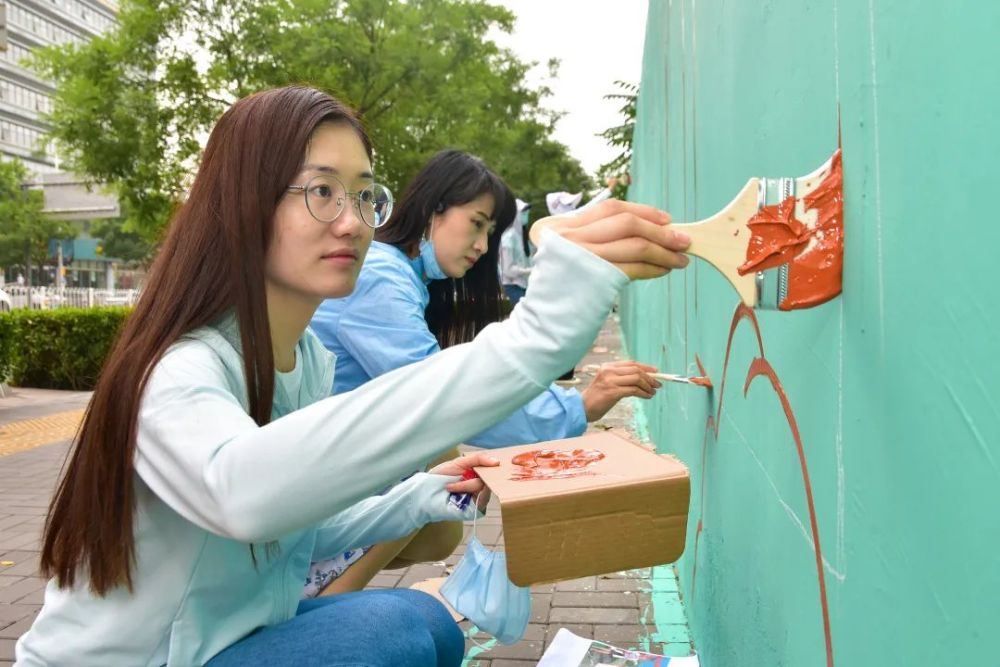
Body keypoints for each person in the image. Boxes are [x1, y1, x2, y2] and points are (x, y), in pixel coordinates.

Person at [15, 86, 690, 667]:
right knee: (393, 629)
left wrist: (429, 495)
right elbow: (244, 493)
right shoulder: (177, 368)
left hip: (223, 639)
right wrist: (532, 341)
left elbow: (297, 528)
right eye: (321, 191)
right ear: (243, 204)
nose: (352, 220)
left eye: (365, 195)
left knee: (425, 627)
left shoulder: (305, 358)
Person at [306, 150, 666, 596]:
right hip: (318, 471)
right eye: (476, 223)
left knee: (441, 517)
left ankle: (329, 580)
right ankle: (321, 595)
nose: (482, 245)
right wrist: (577, 406)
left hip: (335, 458)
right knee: (435, 461)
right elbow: (443, 397)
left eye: (489, 232)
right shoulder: (381, 275)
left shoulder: (399, 274)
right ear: (432, 209)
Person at [499, 198, 533, 305]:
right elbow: (508, 270)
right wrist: (529, 270)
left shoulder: (523, 237)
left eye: (527, 212)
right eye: (523, 212)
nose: (526, 215)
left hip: (525, 285)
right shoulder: (508, 239)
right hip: (513, 286)